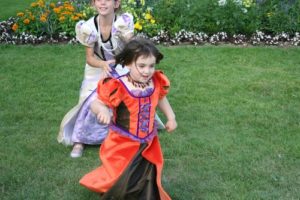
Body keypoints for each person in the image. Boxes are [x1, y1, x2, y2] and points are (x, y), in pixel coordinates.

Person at [79, 38, 177, 199]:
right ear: (129, 64)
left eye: (151, 66)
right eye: (142, 66)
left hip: (147, 141)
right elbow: (96, 103)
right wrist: (102, 110)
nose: (147, 71)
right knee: (122, 176)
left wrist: (171, 117)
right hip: (123, 143)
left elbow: (160, 98)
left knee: (146, 175)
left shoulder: (155, 82)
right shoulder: (118, 85)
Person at [57, 0, 134, 158]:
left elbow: (133, 51)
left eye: (107, 0)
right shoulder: (88, 28)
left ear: (116, 3)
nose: (103, 3)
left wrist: (128, 38)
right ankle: (79, 141)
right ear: (94, 4)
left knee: (126, 95)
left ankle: (118, 135)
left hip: (119, 66)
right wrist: (103, 65)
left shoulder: (123, 22)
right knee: (90, 99)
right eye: (99, 0)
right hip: (96, 67)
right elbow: (89, 59)